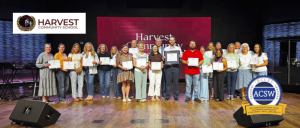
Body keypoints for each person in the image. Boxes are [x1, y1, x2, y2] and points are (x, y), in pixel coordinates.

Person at [163, 36, 182, 102]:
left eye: (172, 40)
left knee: (175, 83)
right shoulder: (166, 49)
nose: (171, 41)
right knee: (168, 83)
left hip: (176, 67)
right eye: (170, 40)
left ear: (175, 41)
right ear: (169, 41)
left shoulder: (178, 48)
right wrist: (164, 57)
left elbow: (181, 58)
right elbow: (163, 58)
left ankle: (176, 96)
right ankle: (167, 96)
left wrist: (180, 57)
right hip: (168, 67)